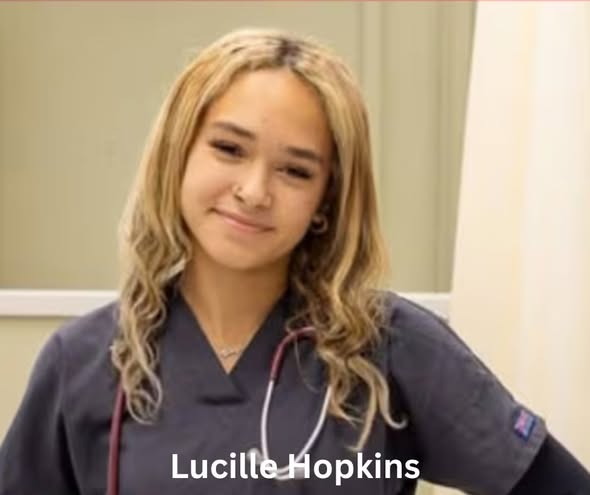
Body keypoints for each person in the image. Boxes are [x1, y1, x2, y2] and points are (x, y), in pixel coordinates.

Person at [0, 28, 588, 495]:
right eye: (229, 148)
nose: (254, 190)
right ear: (177, 155)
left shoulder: (391, 348)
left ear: (326, 202)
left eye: (295, 171)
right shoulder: (83, 362)